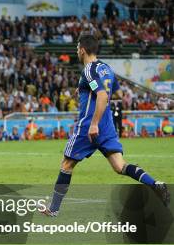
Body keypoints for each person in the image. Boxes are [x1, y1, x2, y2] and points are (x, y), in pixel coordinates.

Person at [40, 34, 169, 217]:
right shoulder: (106, 68)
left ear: (83, 50)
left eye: (77, 48)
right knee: (119, 166)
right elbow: (114, 92)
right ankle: (155, 184)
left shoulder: (88, 70)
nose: (77, 51)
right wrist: (84, 89)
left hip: (89, 126)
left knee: (66, 165)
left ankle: (53, 209)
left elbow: (101, 95)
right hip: (107, 125)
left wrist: (93, 124)